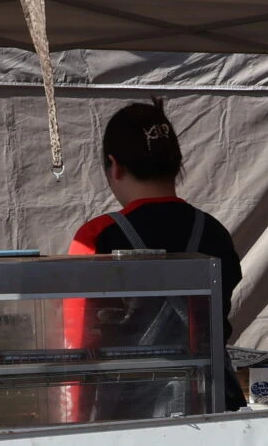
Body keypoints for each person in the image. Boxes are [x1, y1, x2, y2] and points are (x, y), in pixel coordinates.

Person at [68, 102, 246, 412]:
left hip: (128, 413)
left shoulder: (97, 237)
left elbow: (77, 342)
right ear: (176, 162)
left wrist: (75, 418)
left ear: (114, 165)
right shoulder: (214, 232)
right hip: (211, 402)